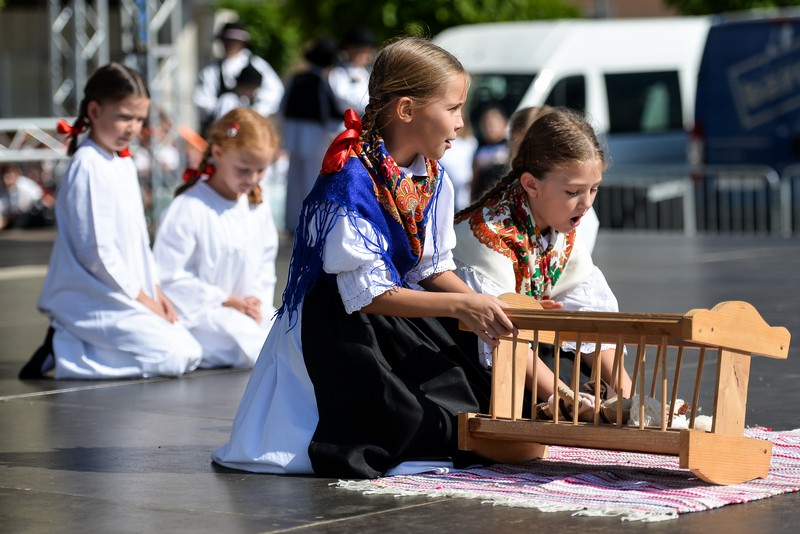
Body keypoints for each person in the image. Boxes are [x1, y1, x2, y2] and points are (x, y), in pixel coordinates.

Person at [212, 37, 516, 479]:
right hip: (339, 320)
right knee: (413, 419)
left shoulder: (432, 175)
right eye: (452, 108)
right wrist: (462, 305)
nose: (460, 122)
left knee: (468, 389)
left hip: (397, 309)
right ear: (407, 110)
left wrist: (479, 307)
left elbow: (431, 267)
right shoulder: (352, 179)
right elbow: (367, 293)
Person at [19, 63, 203, 380]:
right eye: (124, 117)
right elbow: (97, 252)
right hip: (97, 294)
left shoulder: (121, 162)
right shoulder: (88, 164)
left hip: (126, 291)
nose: (132, 128)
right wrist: (142, 298)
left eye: (139, 119)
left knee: (191, 351)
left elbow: (137, 240)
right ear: (94, 110)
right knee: (177, 355)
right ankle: (69, 349)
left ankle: (80, 345)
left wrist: (155, 291)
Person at [453, 107, 632, 416]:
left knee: (581, 374)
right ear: (531, 184)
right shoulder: (491, 231)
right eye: (574, 191)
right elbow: (500, 333)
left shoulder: (559, 222)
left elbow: (590, 313)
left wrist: (632, 400)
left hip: (521, 350)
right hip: (465, 355)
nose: (587, 203)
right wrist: (568, 398)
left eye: (594, 189)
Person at [153, 108, 280, 369]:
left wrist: (255, 297)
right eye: (244, 170)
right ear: (218, 153)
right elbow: (169, 275)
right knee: (250, 343)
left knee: (287, 335)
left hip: (247, 311)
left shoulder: (257, 208)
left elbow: (265, 263)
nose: (252, 179)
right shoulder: (189, 207)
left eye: (260, 170)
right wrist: (224, 300)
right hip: (202, 314)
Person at [508, 105, 600, 253]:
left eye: (594, 189)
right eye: (521, 147)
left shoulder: (576, 221)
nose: (587, 203)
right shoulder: (498, 229)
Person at [280, 36, 342, 231]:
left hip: (293, 132)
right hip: (315, 135)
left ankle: (292, 223)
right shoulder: (322, 82)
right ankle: (310, 224)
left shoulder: (295, 78)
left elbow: (282, 107)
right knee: (312, 180)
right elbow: (328, 112)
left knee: (293, 180)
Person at [194, 21, 284, 134]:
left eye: (234, 42)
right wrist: (225, 114)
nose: (230, 45)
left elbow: (274, 93)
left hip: (250, 127)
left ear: (242, 43)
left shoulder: (258, 65)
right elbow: (203, 99)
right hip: (220, 126)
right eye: (227, 41)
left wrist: (253, 115)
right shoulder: (211, 69)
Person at [328, 27, 377, 117]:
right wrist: (373, 103)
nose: (368, 55)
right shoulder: (339, 73)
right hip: (344, 125)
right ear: (350, 49)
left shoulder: (366, 72)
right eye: (364, 51)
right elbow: (343, 101)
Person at [470, 104, 510, 201]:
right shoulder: (479, 149)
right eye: (485, 124)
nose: (489, 128)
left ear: (504, 122)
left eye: (493, 124)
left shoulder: (509, 147)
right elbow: (474, 178)